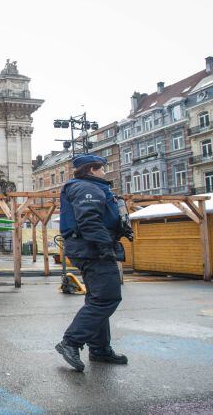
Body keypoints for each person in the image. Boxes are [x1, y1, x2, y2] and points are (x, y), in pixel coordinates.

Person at [55, 154, 127, 372]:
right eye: (102, 168)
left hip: (88, 247)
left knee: (98, 298)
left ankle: (100, 349)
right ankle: (71, 342)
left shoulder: (87, 187)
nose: (105, 172)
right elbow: (89, 220)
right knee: (107, 298)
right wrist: (105, 247)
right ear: (92, 170)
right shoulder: (87, 188)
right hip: (93, 249)